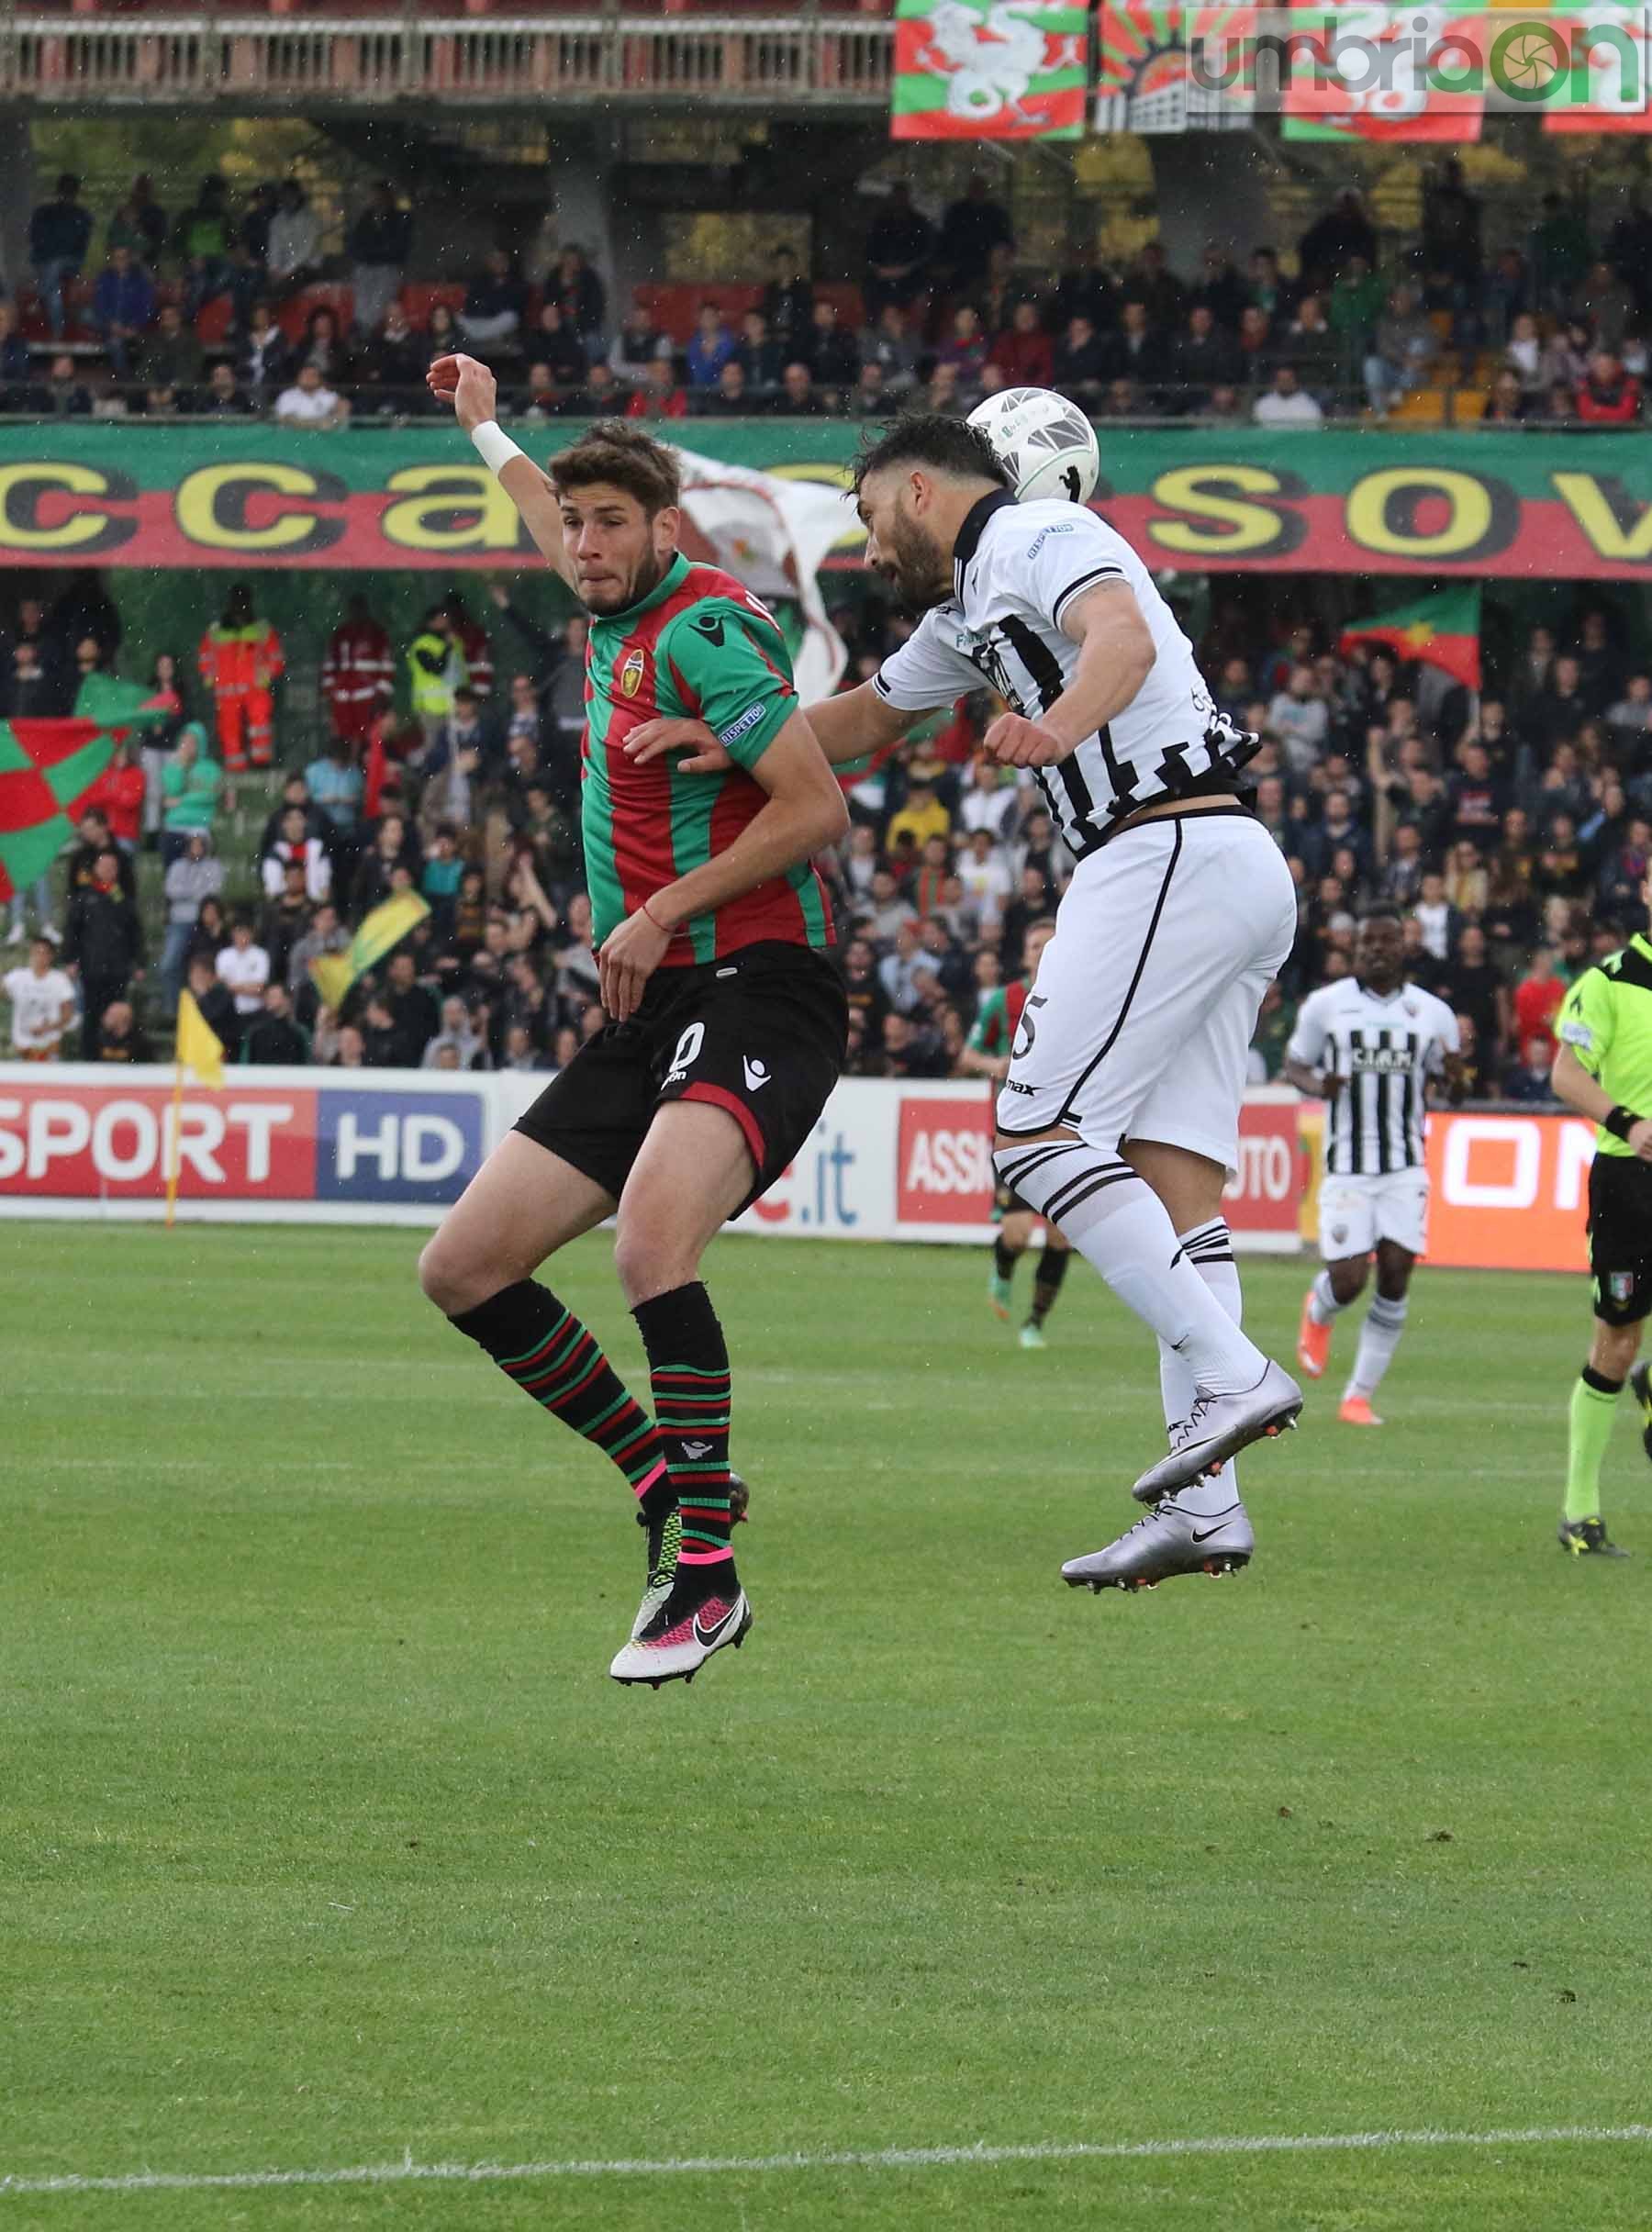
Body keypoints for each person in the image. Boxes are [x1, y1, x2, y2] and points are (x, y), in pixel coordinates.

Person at [626, 411, 1300, 1592]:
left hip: (1165, 850)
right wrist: (734, 739)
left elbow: (1123, 641)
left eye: (872, 515)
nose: (869, 548)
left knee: (1035, 1132)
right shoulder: (970, 611)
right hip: (1222, 862)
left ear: (923, 489)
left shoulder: (1040, 531)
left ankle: (1234, 1371)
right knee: (1175, 1181)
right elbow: (864, 721)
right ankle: (1209, 1503)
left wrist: (1056, 726)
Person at [419, 357, 849, 1688]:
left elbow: (813, 807)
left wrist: (665, 908)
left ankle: (706, 1572)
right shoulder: (611, 596)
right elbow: (545, 499)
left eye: (611, 524)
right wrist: (484, 426)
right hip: (657, 996)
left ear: (668, 531)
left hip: (760, 979)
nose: (583, 543)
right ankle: (667, 1476)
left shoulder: (709, 627)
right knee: (465, 1267)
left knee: (652, 1247)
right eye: (573, 524)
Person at [1285, 912, 1466, 1428]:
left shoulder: (1433, 1013)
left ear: (1405, 947)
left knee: (1395, 1271)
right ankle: (1318, 1310)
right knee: (1348, 1279)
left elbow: (1452, 1086)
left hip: (1406, 1164)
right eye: (1369, 941)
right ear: (1356, 948)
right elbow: (1296, 1063)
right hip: (1347, 1165)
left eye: (1388, 940)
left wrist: (1457, 1078)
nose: (1378, 949)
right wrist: (1319, 1086)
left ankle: (1358, 1397)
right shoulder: (1326, 1006)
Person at [1549, 890, 1652, 1555]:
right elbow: (1565, 1074)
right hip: (1629, 1181)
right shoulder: (1609, 981)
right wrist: (1629, 1123)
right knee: (1615, 1343)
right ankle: (1578, 1513)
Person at [959, 918, 1072, 1348]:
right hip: (1014, 1135)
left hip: (1065, 1133)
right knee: (1018, 1234)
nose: (1041, 952)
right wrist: (997, 1066)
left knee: (1061, 1236)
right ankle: (1004, 1269)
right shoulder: (1003, 1000)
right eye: (1035, 945)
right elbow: (968, 1055)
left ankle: (1034, 1324)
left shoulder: (1079, 997)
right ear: (1024, 954)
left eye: (1049, 945)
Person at [61, 848, 144, 1060]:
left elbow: (135, 933)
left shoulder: (124, 899)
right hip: (92, 968)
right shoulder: (84, 897)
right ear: (96, 869)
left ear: (117, 871)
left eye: (112, 867)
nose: (107, 870)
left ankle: (118, 1055)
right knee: (91, 1015)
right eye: (104, 866)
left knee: (118, 1015)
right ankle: (89, 1058)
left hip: (118, 969)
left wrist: (140, 962)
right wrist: (70, 959)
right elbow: (72, 930)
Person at [198, 586, 283, 774]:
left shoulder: (262, 630)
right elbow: (205, 656)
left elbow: (276, 659)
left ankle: (261, 763)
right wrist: (210, 676)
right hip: (227, 691)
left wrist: (266, 675)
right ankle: (235, 766)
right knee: (229, 729)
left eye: (243, 600)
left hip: (255, 689)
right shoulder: (216, 630)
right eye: (236, 601)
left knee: (259, 725)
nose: (239, 605)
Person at [321, 593, 394, 746]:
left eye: (359, 608)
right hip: (343, 694)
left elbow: (387, 666)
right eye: (352, 609)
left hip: (367, 694)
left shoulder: (376, 633)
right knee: (342, 735)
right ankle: (348, 765)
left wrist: (381, 694)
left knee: (368, 736)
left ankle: (363, 766)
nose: (356, 613)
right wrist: (329, 691)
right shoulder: (341, 633)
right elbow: (330, 664)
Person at [29, 173, 93, 341]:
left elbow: (80, 249)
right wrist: (55, 254)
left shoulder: (83, 216)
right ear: (59, 191)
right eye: (65, 191)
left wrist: (58, 254)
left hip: (70, 263)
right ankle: (58, 333)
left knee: (56, 265)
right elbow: (36, 240)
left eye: (70, 192)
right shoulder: (43, 213)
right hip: (45, 262)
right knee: (54, 293)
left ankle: (40, 295)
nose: (67, 196)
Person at [5, 934, 76, 1060]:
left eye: (44, 953)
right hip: (22, 1051)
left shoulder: (60, 980)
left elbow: (67, 1015)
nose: (39, 957)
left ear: (51, 956)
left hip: (49, 1050)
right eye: (36, 952)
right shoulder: (17, 976)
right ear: (31, 953)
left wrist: (47, 1028)